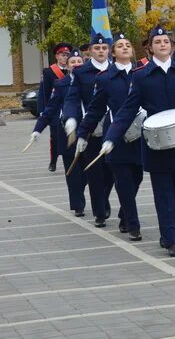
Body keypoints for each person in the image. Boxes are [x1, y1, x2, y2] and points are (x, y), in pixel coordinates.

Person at [101, 25, 175, 257]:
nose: (162, 45)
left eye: (166, 42)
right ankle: (171, 239)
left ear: (171, 46)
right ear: (149, 48)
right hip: (155, 143)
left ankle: (167, 229)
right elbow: (127, 110)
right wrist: (111, 138)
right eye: (157, 42)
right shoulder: (141, 76)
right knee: (163, 192)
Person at [74, 32, 144, 240]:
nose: (124, 48)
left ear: (132, 51)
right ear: (113, 53)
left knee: (137, 177)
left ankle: (125, 213)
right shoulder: (105, 78)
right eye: (120, 45)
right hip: (115, 136)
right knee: (122, 180)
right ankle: (133, 223)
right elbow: (95, 109)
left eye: (127, 45)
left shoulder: (142, 74)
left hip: (139, 135)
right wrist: (83, 133)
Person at [63, 33, 115, 228]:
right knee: (94, 172)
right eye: (97, 48)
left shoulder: (116, 70)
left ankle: (104, 198)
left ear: (108, 50)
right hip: (91, 128)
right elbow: (72, 98)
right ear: (90, 51)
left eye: (104, 48)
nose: (101, 51)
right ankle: (99, 212)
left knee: (111, 171)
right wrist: (70, 119)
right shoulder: (82, 72)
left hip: (113, 128)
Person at [29, 48, 87, 216]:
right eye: (72, 62)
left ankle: (86, 193)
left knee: (88, 172)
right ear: (67, 66)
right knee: (72, 172)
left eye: (79, 62)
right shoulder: (61, 84)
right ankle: (78, 204)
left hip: (88, 132)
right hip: (67, 133)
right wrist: (37, 129)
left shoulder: (93, 81)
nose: (76, 64)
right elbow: (50, 108)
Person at [38, 43, 72, 172]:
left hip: (69, 107)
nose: (65, 57)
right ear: (57, 56)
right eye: (63, 55)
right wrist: (43, 111)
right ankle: (53, 160)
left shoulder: (73, 69)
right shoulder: (49, 72)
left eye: (67, 55)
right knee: (55, 137)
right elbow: (44, 93)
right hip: (55, 109)